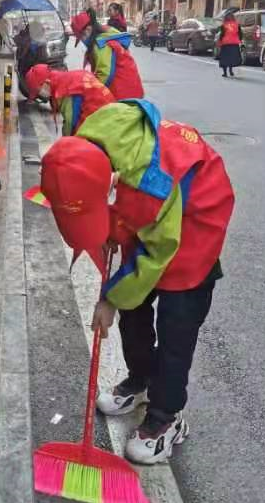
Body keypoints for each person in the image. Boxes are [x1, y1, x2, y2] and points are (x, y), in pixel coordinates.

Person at [40, 100, 235, 465]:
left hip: (194, 224)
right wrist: (111, 223)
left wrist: (110, 299)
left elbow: (158, 250)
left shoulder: (148, 182)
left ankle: (166, 417)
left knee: (176, 324)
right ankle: (140, 378)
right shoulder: (85, 144)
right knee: (135, 309)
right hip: (150, 210)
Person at [71, 9, 144, 101]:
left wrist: (90, 94)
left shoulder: (101, 44)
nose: (82, 41)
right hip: (132, 89)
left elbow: (105, 75)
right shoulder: (108, 34)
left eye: (81, 37)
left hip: (123, 94)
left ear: (88, 29)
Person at [25, 64, 115, 135]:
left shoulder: (66, 90)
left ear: (46, 83)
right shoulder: (66, 79)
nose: (40, 96)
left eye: (38, 91)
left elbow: (71, 124)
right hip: (111, 113)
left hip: (103, 122)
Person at [217, 13, 242, 78]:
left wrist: (219, 42)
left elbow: (222, 34)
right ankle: (231, 71)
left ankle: (225, 73)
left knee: (224, 58)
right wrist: (240, 40)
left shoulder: (224, 25)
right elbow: (240, 34)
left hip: (225, 43)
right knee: (232, 58)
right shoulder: (237, 25)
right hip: (234, 43)